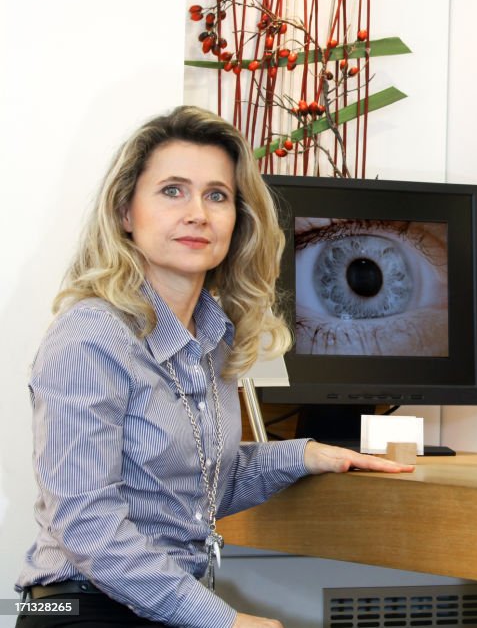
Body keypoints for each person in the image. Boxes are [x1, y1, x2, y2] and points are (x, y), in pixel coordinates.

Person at [16, 105, 413, 628]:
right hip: (81, 605)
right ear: (124, 213)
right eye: (172, 190)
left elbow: (202, 485)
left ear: (238, 219)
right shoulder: (91, 335)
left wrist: (308, 454)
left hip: (160, 605)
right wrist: (223, 621)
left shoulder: (214, 338)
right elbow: (87, 526)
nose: (198, 213)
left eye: (217, 195)